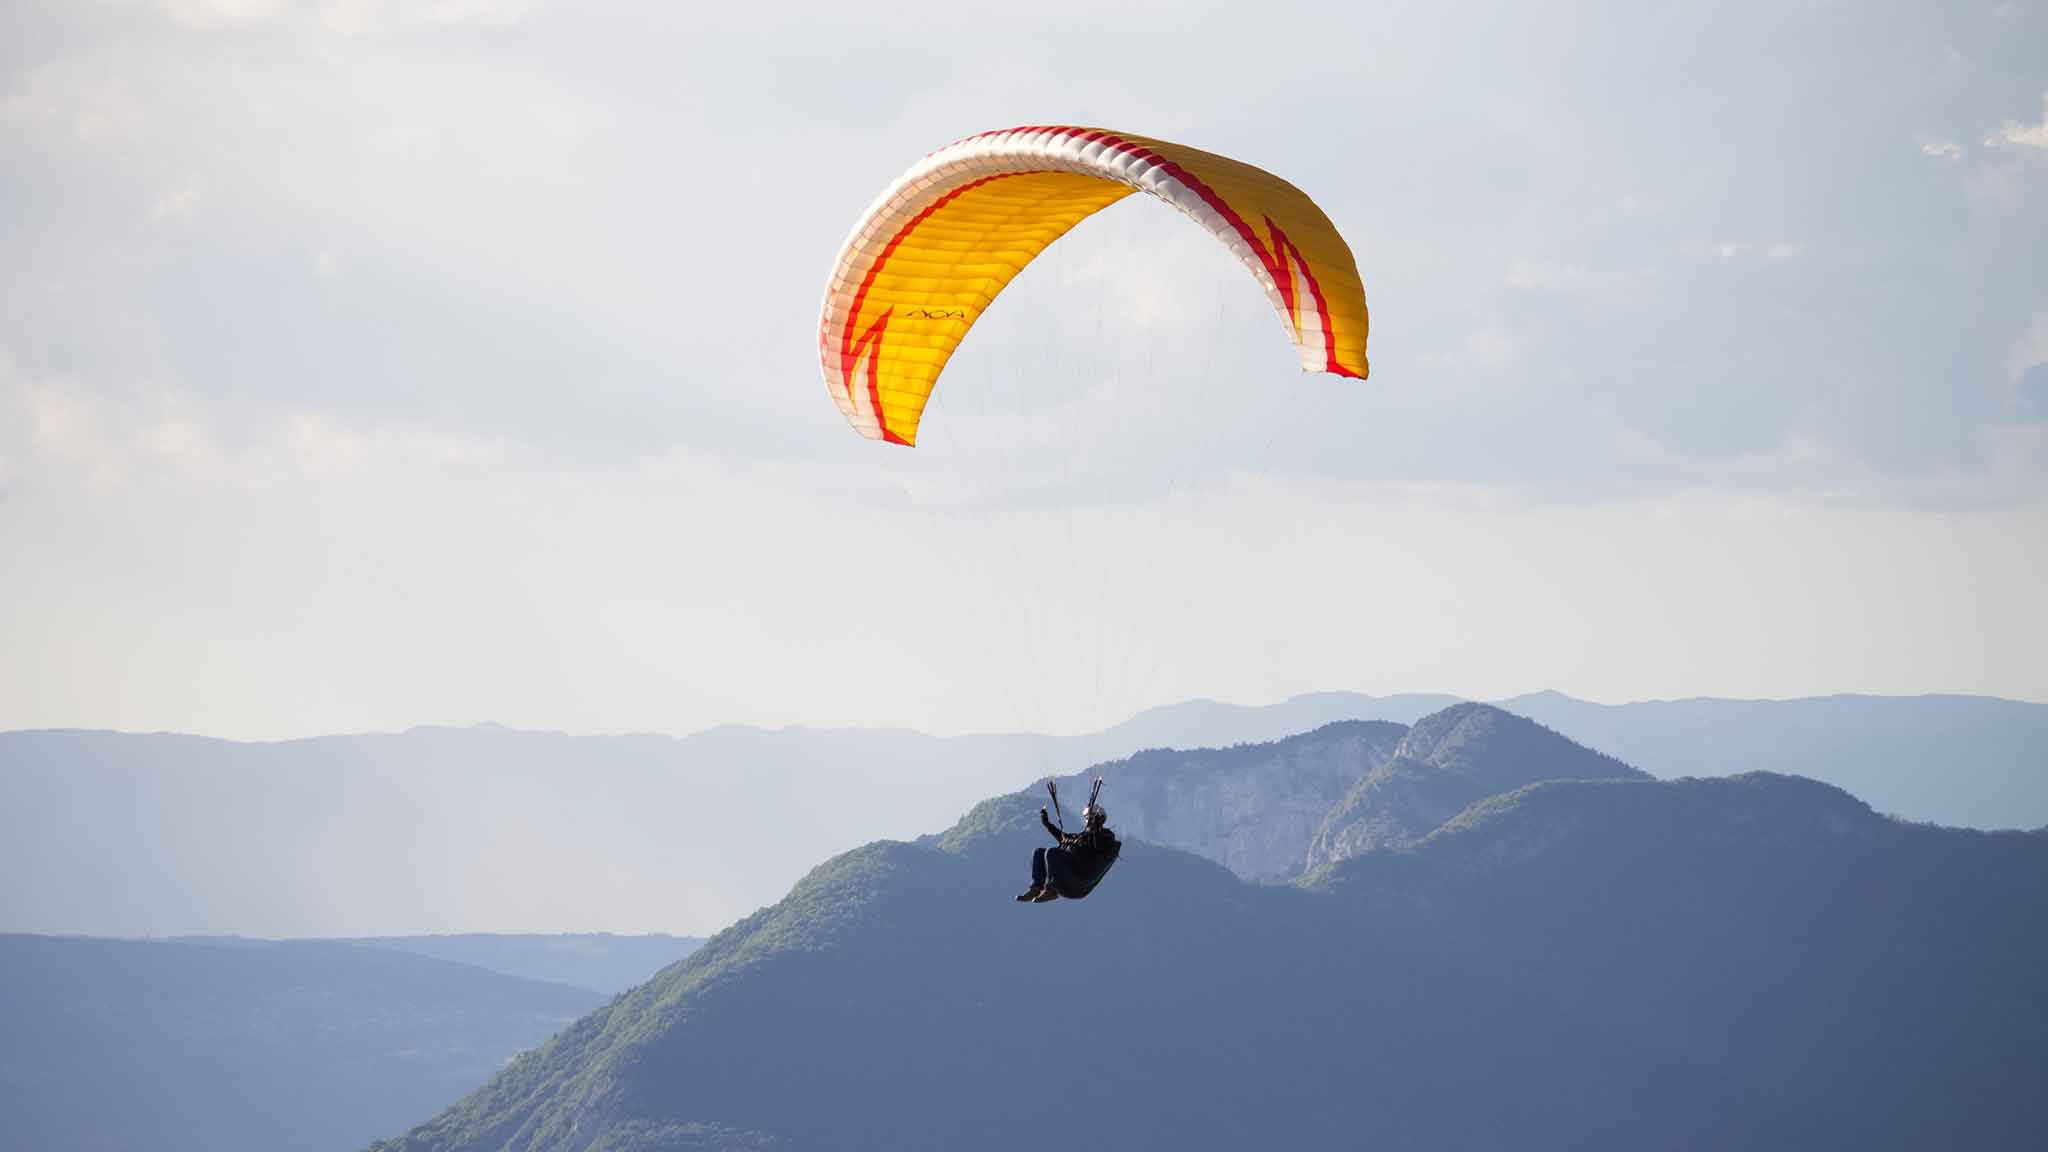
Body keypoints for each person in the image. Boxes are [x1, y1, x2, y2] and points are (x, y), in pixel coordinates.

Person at [1017, 788, 1119, 903]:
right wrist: (1047, 823)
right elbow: (1063, 838)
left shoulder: (1105, 836)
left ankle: (1051, 890)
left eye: (1090, 818)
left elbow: (1099, 847)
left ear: (1099, 819)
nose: (1087, 821)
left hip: (1079, 877)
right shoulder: (1081, 836)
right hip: (1069, 870)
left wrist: (1095, 830)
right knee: (1038, 852)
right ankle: (1036, 888)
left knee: (1052, 853)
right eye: (1086, 818)